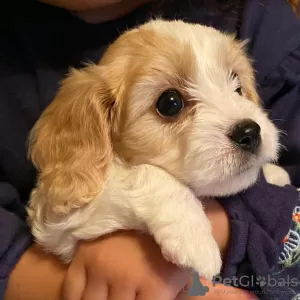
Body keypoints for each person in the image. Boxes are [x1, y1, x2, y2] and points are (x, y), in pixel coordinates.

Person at [1, 0, 299, 299]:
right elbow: (57, 208)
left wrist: (226, 221)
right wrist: (154, 194)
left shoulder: (261, 22)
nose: (243, 122)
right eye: (171, 104)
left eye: (237, 88)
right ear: (98, 127)